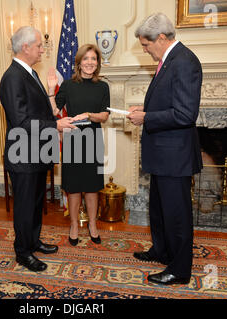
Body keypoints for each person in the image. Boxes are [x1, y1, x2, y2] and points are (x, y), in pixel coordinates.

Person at [127, 13, 203, 285]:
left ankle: (179, 270)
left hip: (175, 156)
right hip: (163, 154)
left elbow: (185, 114)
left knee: (177, 215)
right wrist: (144, 110)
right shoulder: (168, 61)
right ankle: (162, 251)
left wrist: (146, 118)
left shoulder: (184, 62)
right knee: (159, 209)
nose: (145, 50)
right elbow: (168, 104)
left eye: (146, 45)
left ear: (160, 38)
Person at [0, 26, 76, 272]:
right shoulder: (12, 77)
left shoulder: (29, 73)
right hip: (22, 154)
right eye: (39, 46)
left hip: (37, 152)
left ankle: (32, 241)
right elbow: (21, 121)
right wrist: (55, 125)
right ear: (26, 47)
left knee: (35, 202)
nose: (43, 50)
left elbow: (38, 111)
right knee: (24, 206)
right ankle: (22, 252)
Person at [48, 44, 110, 246]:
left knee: (92, 188)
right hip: (72, 140)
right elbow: (55, 111)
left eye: (93, 59)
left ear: (97, 63)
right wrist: (50, 89)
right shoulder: (67, 85)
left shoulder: (103, 86)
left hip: (92, 140)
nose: (90, 62)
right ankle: (74, 225)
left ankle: (92, 225)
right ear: (79, 62)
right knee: (73, 188)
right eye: (86, 59)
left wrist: (89, 115)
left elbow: (104, 116)